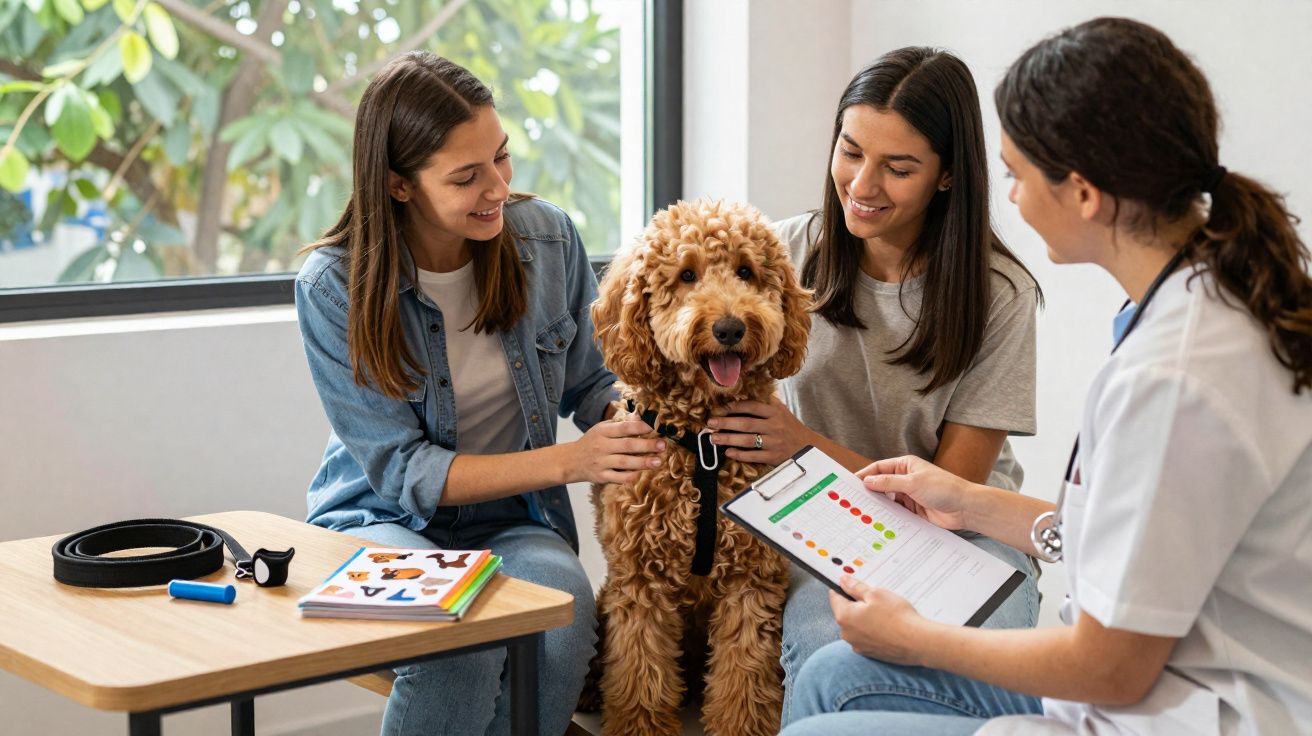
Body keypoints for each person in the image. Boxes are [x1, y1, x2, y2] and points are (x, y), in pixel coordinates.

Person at [781, 17, 1312, 736]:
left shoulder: (1175, 377)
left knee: (823, 718)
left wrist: (917, 639)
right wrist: (964, 499)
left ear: (1084, 193)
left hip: (1183, 709)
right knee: (831, 677)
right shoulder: (1195, 304)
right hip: (1156, 684)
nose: (1016, 199)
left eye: (1017, 175)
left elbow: (1111, 667)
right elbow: (1115, 539)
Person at [294, 51, 664, 736]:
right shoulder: (332, 287)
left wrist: (642, 423)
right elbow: (404, 472)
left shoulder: (546, 239)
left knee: (563, 613)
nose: (497, 187)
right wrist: (571, 461)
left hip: (514, 517)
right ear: (399, 186)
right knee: (455, 644)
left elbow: (592, 383)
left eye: (502, 158)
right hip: (381, 519)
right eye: (467, 176)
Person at [705, 47, 1043, 723]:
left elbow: (945, 497)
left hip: (966, 537)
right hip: (822, 530)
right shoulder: (780, 255)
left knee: (971, 674)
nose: (862, 183)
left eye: (899, 167)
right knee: (831, 661)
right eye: (851, 150)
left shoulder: (999, 295)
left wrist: (803, 446)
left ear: (947, 176)